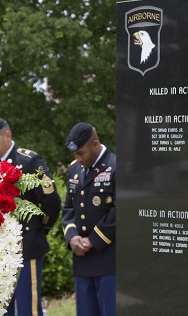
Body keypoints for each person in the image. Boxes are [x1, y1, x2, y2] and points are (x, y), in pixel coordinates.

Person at [0, 116, 62, 316]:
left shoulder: (28, 161)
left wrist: (41, 229)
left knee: (28, 309)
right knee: (0, 308)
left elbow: (51, 201)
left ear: (8, 135)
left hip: (26, 245)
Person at [62, 122, 116, 316]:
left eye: (81, 153)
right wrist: (72, 237)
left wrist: (93, 240)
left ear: (95, 144)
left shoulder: (115, 167)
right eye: (75, 155)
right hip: (82, 259)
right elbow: (68, 208)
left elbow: (119, 211)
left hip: (108, 258)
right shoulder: (75, 169)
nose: (78, 158)